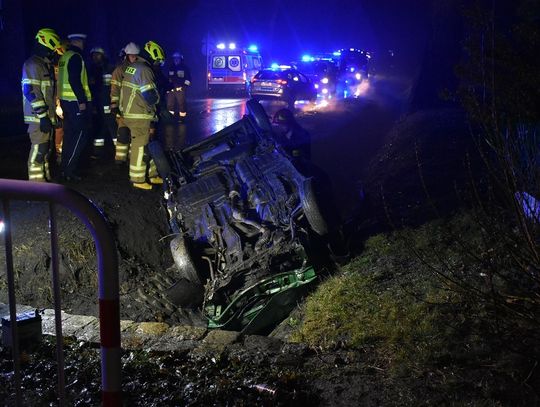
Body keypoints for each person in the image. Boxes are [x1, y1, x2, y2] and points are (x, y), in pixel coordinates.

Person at [119, 40, 164, 190]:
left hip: (133, 112)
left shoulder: (133, 67)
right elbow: (150, 95)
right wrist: (160, 99)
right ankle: (137, 179)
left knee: (149, 144)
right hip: (139, 113)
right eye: (157, 62)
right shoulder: (145, 69)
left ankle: (152, 174)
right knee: (141, 146)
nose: (157, 65)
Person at [21, 28, 61, 182]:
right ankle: (36, 185)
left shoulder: (44, 65)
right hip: (37, 117)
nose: (53, 53)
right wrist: (44, 116)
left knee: (45, 150)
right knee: (39, 150)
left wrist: (52, 116)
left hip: (45, 117)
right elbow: (31, 91)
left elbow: (49, 94)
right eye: (52, 49)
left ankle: (44, 181)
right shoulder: (32, 64)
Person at [57, 33, 92, 181]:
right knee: (80, 135)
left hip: (66, 101)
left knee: (70, 135)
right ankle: (69, 170)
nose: (84, 45)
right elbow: (74, 80)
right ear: (77, 42)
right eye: (82, 42)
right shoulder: (76, 56)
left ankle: (64, 169)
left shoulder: (64, 57)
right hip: (75, 102)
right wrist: (82, 101)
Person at [111, 42, 139, 164]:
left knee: (135, 136)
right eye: (131, 56)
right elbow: (114, 89)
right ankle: (120, 159)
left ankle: (131, 159)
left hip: (136, 109)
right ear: (126, 56)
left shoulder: (141, 69)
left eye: (135, 56)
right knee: (122, 134)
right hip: (122, 109)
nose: (134, 58)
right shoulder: (119, 70)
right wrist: (114, 105)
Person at [88, 46, 116, 159]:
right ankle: (98, 152)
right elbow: (92, 88)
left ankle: (119, 153)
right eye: (94, 55)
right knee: (99, 127)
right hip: (97, 104)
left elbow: (111, 88)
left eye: (97, 55)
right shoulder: (92, 69)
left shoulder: (109, 68)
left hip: (107, 103)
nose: (95, 57)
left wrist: (112, 103)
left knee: (112, 127)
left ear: (102, 56)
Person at [166, 51, 191, 122]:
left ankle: (182, 118)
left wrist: (184, 87)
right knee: (170, 104)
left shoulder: (185, 68)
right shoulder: (171, 67)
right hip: (171, 89)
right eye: (175, 58)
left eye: (178, 58)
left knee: (181, 104)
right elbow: (168, 78)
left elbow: (188, 79)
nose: (176, 60)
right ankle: (170, 118)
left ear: (181, 59)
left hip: (180, 89)